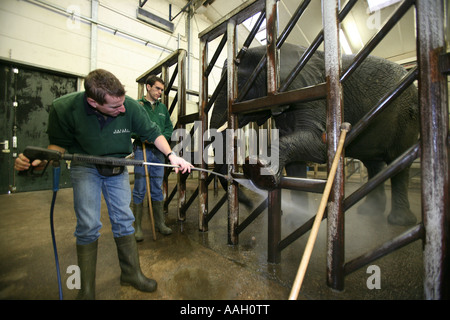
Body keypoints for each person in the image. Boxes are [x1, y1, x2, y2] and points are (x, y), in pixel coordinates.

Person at [14, 69, 192, 300]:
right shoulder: (64, 108)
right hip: (84, 165)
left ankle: (131, 273)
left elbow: (153, 132)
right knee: (88, 225)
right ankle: (86, 289)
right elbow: (57, 146)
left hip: (117, 165)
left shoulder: (131, 106)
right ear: (92, 102)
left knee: (124, 220)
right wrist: (38, 161)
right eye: (114, 107)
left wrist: (171, 156)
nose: (122, 109)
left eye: (122, 103)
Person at [132, 75, 173, 240]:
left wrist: (161, 138)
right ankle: (137, 227)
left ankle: (160, 224)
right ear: (148, 87)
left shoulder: (163, 109)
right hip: (143, 150)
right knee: (140, 187)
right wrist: (143, 136)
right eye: (157, 88)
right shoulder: (137, 105)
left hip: (158, 152)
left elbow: (169, 128)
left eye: (162, 90)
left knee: (157, 186)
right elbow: (131, 127)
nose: (160, 92)